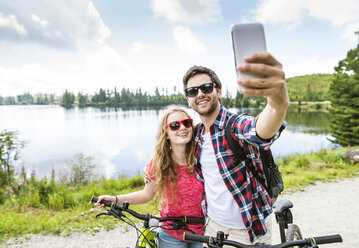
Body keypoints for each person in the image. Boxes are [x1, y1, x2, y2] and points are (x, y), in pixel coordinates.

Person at [182, 52, 290, 245]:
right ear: (188, 99)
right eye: (193, 91)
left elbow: (258, 130)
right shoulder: (196, 135)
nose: (200, 94)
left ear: (219, 91)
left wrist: (278, 104)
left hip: (248, 228)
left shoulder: (234, 125)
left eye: (206, 87)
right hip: (212, 226)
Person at [92, 105, 204, 248]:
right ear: (166, 132)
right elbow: (146, 195)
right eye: (175, 125)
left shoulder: (202, 156)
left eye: (186, 123)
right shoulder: (159, 162)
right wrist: (114, 199)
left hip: (202, 232)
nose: (182, 128)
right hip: (171, 233)